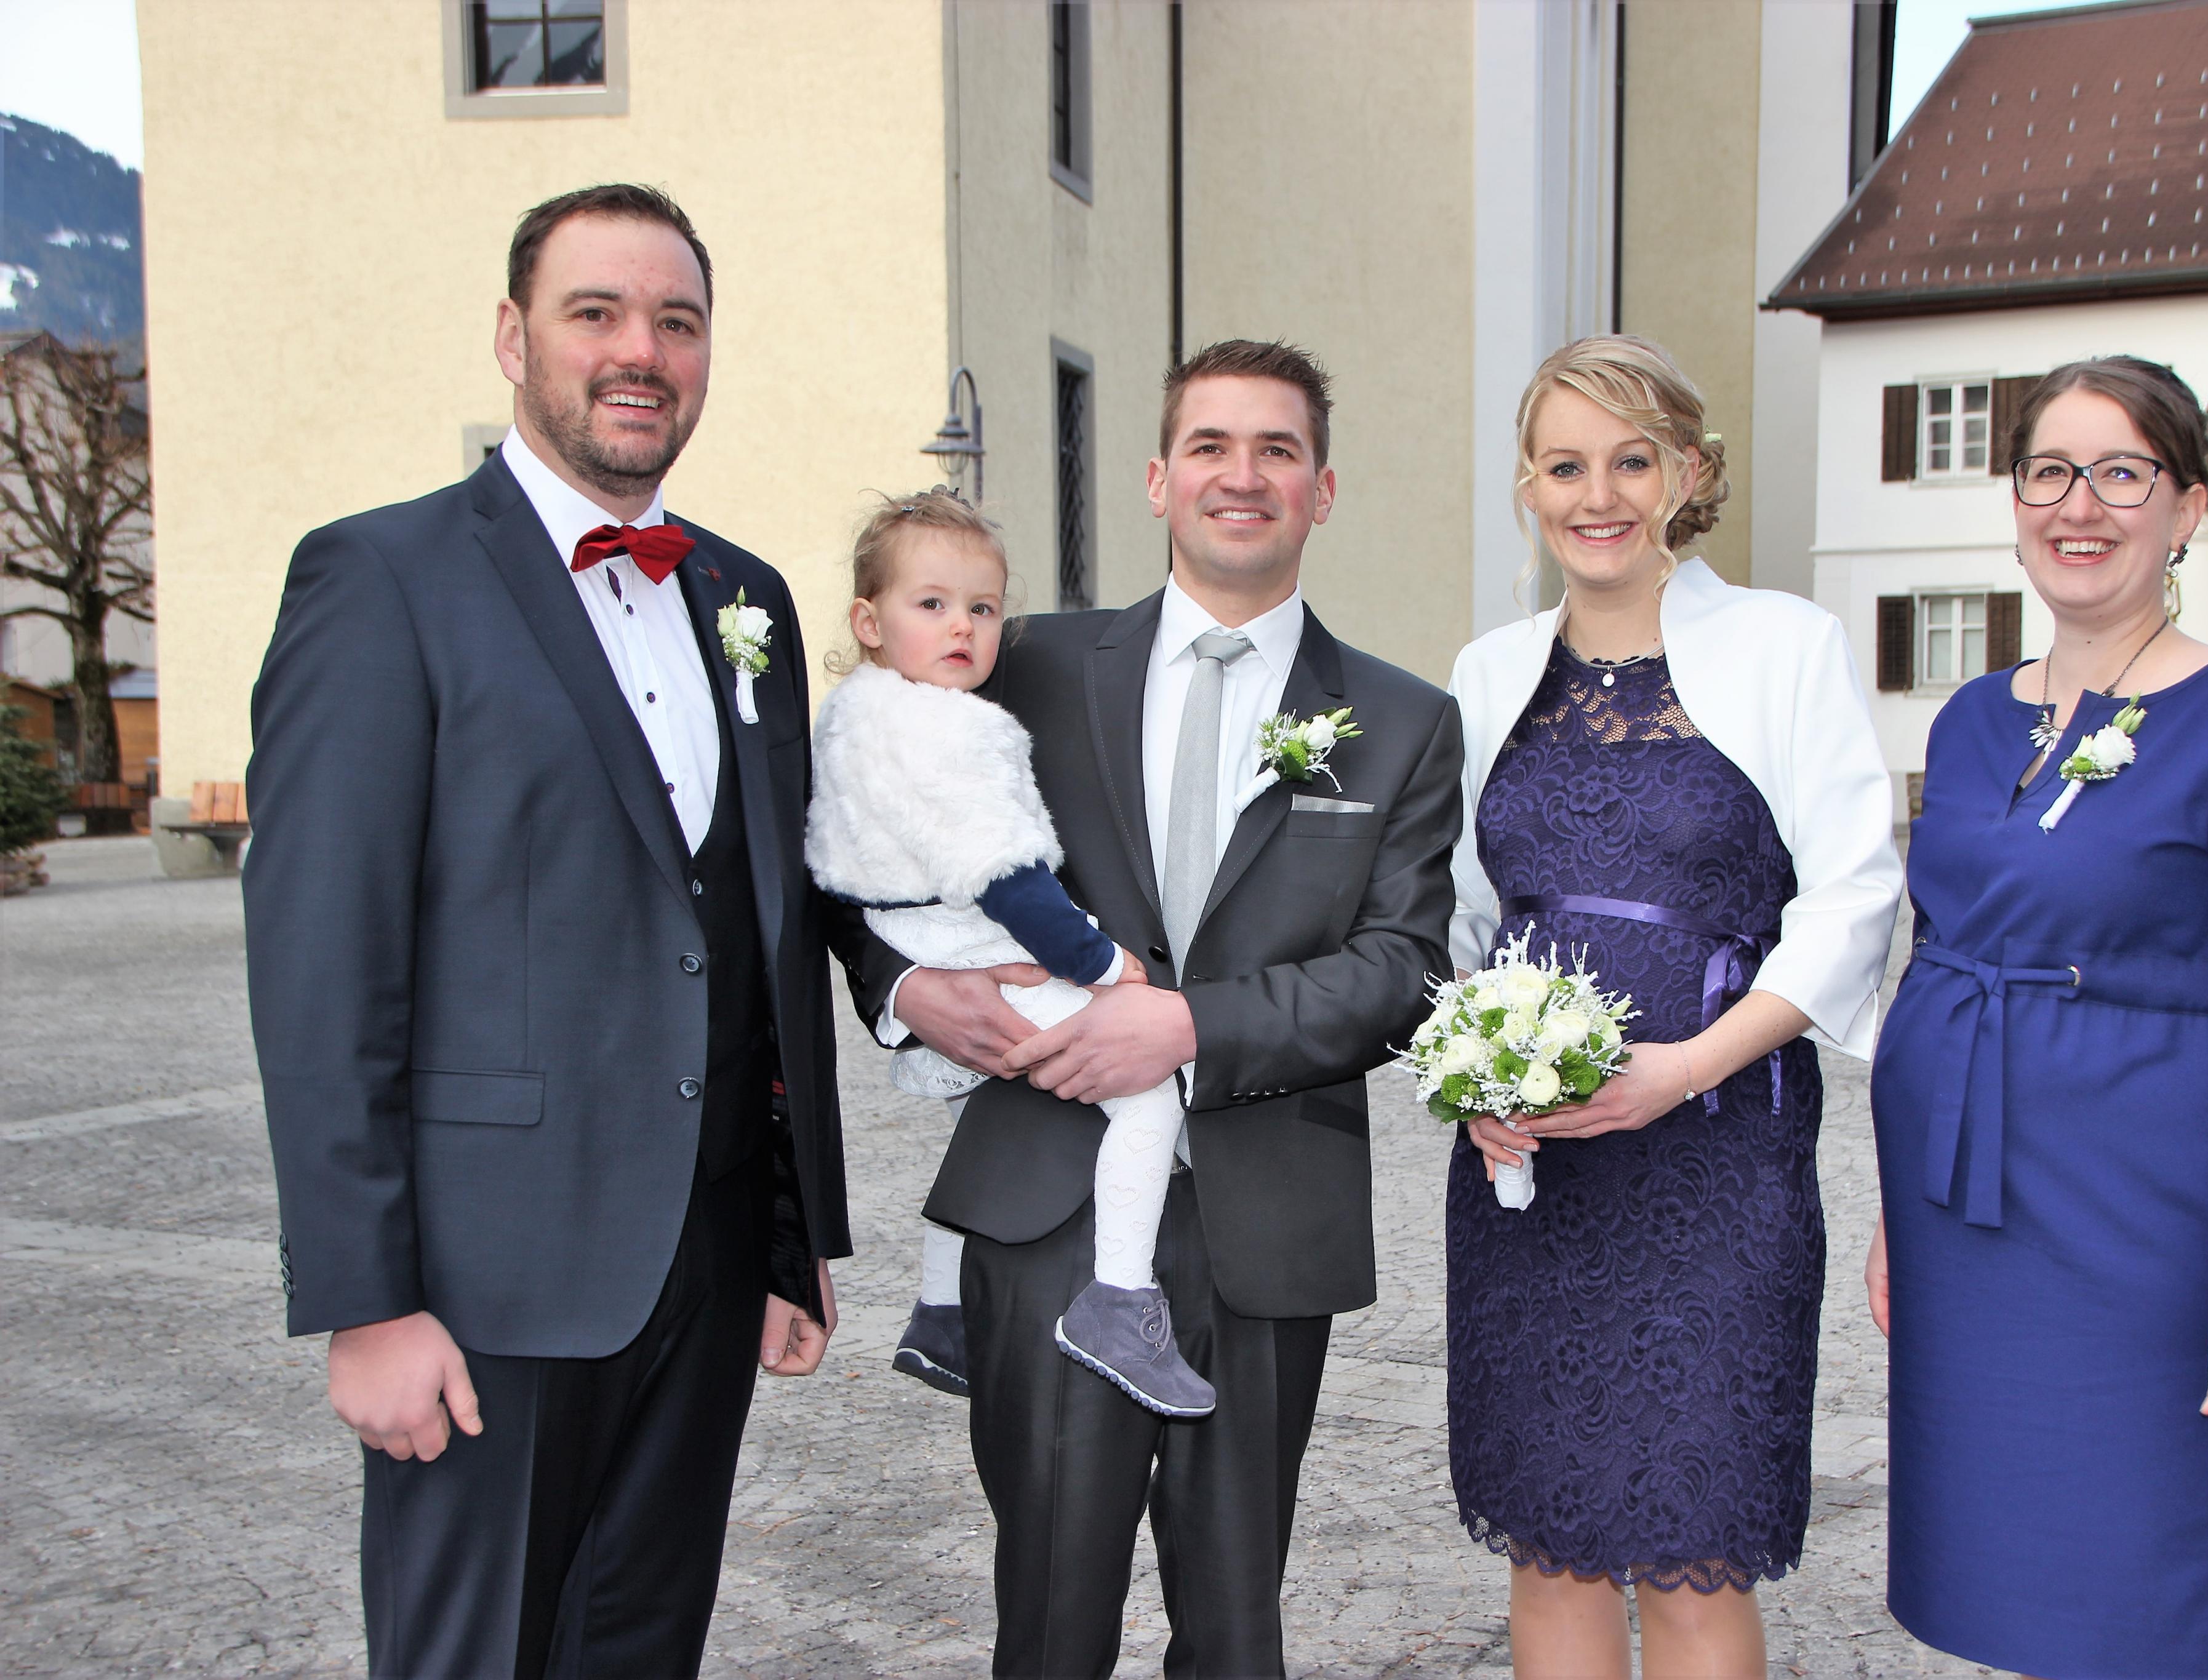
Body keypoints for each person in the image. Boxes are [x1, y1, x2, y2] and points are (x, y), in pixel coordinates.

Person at [242, 183, 849, 1679]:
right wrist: (367, 1300)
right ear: (514, 338)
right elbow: (322, 963)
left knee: (641, 1649)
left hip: (704, 1264)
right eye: (597, 313)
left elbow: (762, 930)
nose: (641, 350)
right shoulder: (380, 579)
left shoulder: (746, 597)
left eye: (676, 322)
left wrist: (788, 1235)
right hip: (484, 1282)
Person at [828, 339, 1464, 1678]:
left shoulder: (1401, 720)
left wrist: (1188, 1027)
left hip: (1265, 1221)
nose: (1243, 475)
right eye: (1210, 446)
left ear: (1322, 489)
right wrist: (906, 989)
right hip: (1043, 1198)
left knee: (1233, 1633)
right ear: (1158, 479)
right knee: (1049, 1621)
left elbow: (1403, 971)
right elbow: (863, 820)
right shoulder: (1022, 661)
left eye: (1277, 449)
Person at [1866, 355, 2208, 1678]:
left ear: (2186, 507)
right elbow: (1939, 954)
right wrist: (1900, 1205)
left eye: (2121, 472)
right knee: (2006, 1588)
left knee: (2145, 1589)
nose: (2079, 505)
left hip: (2146, 1221)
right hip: (1969, 1223)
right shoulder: (1974, 718)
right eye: (2049, 472)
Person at [1444, 335, 1902, 1680]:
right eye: (1565, 466)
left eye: (1631, 461)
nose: (1598, 496)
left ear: (1688, 475)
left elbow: (1854, 896)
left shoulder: (1785, 646)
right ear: (1527, 486)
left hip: (1717, 1156)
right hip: (1536, 1181)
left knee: (1693, 1555)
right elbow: (1459, 917)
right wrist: (1473, 1090)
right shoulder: (1486, 673)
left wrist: (1686, 1064)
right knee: (1552, 1548)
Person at [806, 488, 1216, 1419]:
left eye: (983, 608)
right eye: (933, 604)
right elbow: (1008, 877)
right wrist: (1102, 964)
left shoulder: (858, 711)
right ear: (869, 621)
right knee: (1149, 1093)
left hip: (914, 935)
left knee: (984, 1121)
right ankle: (1119, 1301)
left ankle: (941, 1313)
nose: (963, 626)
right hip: (977, 943)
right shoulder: (950, 729)